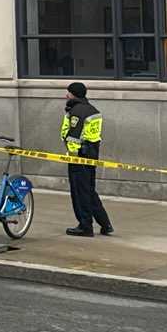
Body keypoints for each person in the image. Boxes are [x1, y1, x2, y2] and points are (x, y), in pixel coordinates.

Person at [61, 81, 113, 237]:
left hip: (79, 157)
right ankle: (105, 223)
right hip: (91, 155)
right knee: (89, 191)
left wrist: (73, 156)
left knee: (80, 192)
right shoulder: (92, 110)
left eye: (68, 92)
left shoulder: (77, 112)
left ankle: (85, 226)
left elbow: (74, 137)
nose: (66, 95)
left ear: (73, 94)